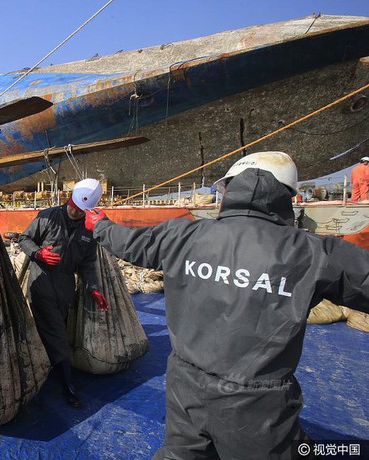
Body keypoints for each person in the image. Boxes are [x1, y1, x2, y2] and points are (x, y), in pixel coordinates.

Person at [84, 151, 369, 459]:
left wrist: (100, 224)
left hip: (185, 385)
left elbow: (130, 243)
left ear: (227, 192)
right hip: (255, 404)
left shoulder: (183, 235)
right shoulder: (314, 253)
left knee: (181, 453)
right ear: (286, 197)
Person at [18, 178, 110, 408]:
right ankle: (68, 384)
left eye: (79, 210)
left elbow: (88, 263)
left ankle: (44, 364)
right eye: (71, 205)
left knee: (55, 327)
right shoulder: (48, 216)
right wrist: (38, 254)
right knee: (56, 332)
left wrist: (94, 289)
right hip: (42, 282)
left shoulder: (89, 230)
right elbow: (24, 238)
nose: (73, 211)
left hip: (66, 286)